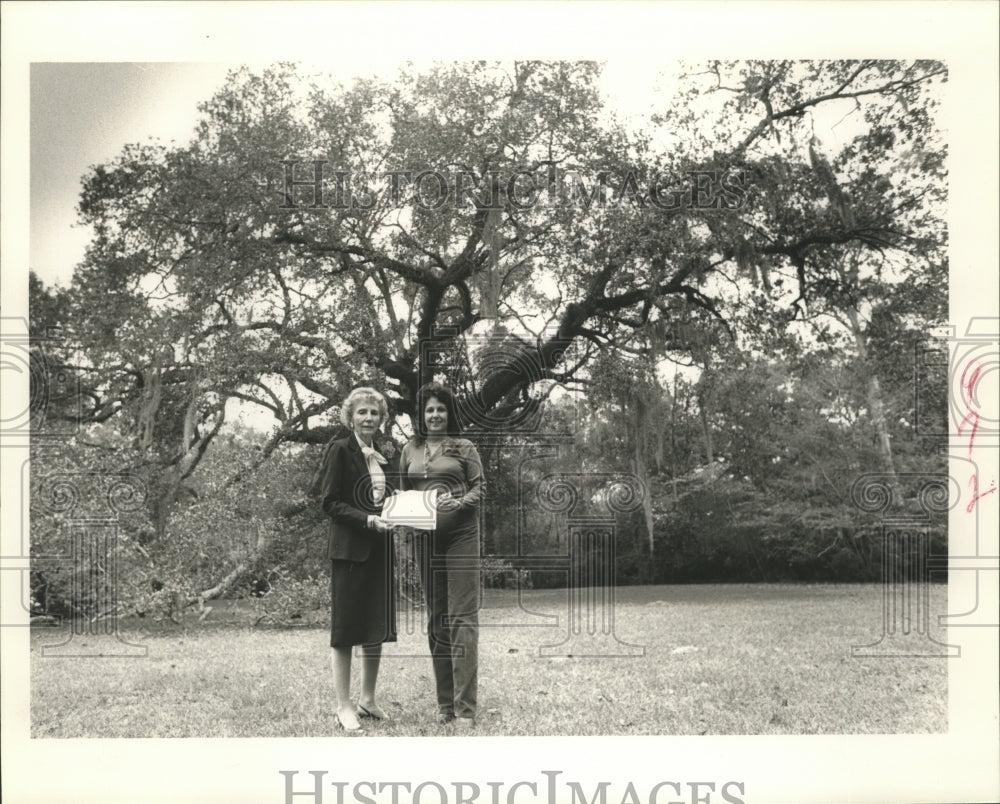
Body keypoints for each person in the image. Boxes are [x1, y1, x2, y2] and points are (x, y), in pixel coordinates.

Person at [398, 382, 484, 728]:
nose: (435, 415)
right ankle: (445, 705)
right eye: (429, 410)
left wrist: (460, 502)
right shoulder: (410, 449)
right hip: (424, 539)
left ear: (449, 413)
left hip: (461, 536)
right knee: (437, 621)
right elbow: (403, 495)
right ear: (421, 415)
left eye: (441, 409)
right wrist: (400, 525)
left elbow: (481, 488)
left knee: (462, 619)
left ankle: (466, 709)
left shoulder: (464, 447)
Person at [317, 386, 396, 733]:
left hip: (379, 548)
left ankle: (368, 699)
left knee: (374, 626)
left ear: (381, 419)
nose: (368, 418)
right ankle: (343, 705)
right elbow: (329, 502)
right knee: (346, 628)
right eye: (362, 412)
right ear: (350, 417)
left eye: (374, 413)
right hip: (350, 550)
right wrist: (366, 520)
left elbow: (385, 499)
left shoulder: (382, 454)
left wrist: (399, 511)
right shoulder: (339, 450)